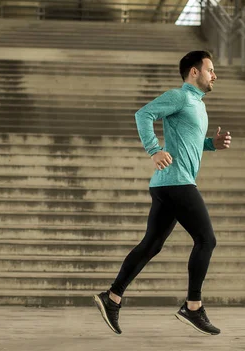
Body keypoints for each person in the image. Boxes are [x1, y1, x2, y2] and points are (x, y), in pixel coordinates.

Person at [93, 50, 232, 336]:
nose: (214, 75)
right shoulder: (180, 96)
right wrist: (154, 150)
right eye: (210, 70)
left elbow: (187, 140)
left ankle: (112, 297)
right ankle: (193, 307)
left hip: (167, 183)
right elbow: (143, 114)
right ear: (194, 72)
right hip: (176, 182)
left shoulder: (197, 104)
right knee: (206, 239)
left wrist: (210, 144)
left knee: (152, 244)